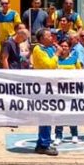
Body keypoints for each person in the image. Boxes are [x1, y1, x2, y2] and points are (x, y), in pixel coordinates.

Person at [30, 28, 60, 156]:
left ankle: (43, 143)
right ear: (41, 38)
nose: (51, 37)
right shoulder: (38, 49)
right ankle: (44, 144)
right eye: (48, 36)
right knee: (45, 115)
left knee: (49, 116)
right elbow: (49, 65)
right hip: (42, 87)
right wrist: (57, 54)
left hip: (50, 86)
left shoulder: (49, 49)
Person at [54, 40, 81, 145]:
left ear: (69, 48)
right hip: (59, 91)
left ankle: (74, 134)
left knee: (72, 113)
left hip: (72, 90)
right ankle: (58, 136)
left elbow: (80, 73)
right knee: (59, 114)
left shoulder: (74, 59)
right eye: (62, 46)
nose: (64, 48)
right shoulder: (55, 59)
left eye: (66, 46)